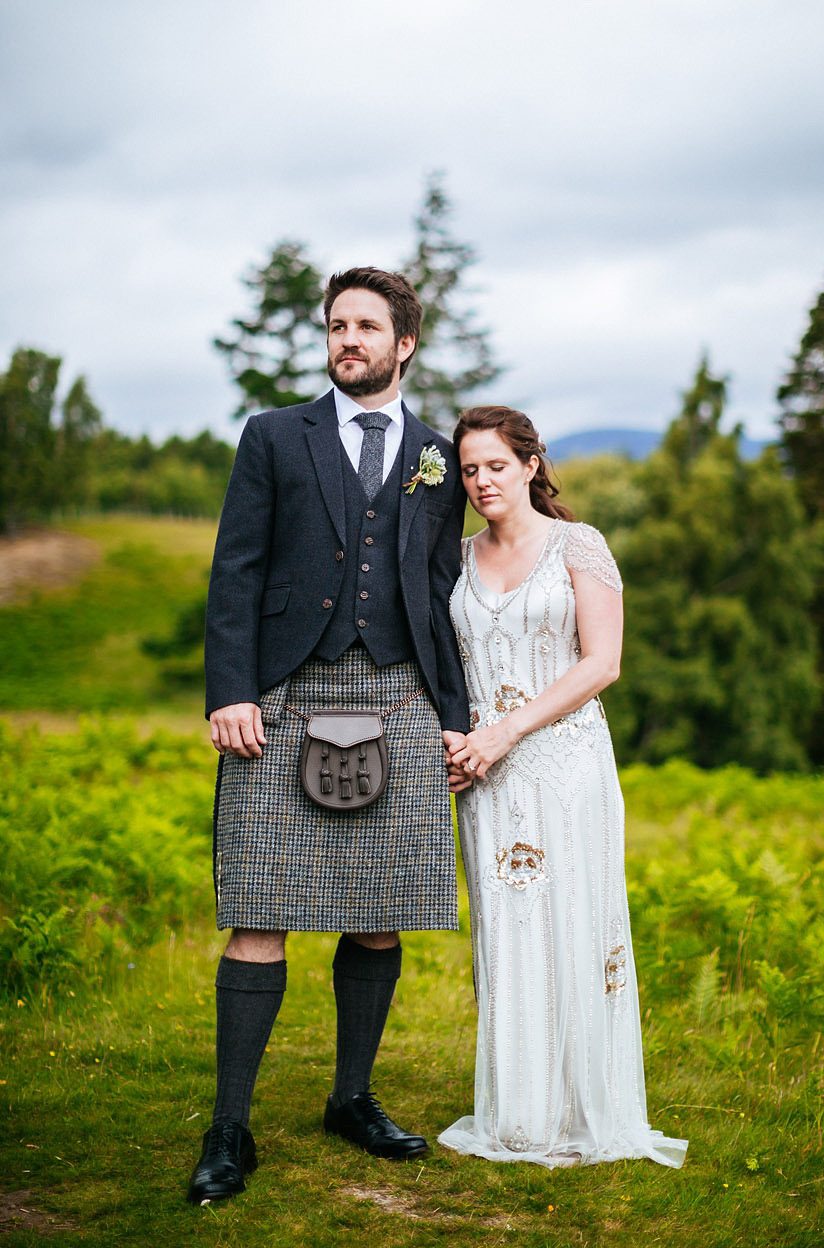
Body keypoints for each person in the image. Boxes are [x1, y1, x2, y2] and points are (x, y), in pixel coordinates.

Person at [187, 266, 470, 1204]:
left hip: (399, 697)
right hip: (284, 695)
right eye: (336, 326)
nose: (347, 339)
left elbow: (435, 599)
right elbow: (236, 568)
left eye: (366, 327)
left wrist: (457, 722)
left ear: (405, 344)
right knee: (260, 909)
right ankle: (230, 1127)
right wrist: (231, 689)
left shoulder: (437, 453)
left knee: (379, 909)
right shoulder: (274, 435)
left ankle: (351, 1099)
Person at [438, 406, 687, 1169]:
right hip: (485, 773)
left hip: (566, 763)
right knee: (507, 935)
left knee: (576, 924)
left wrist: (510, 730)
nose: (482, 481)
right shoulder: (454, 558)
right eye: (471, 469)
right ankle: (521, 1113)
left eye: (497, 466)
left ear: (532, 464)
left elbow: (602, 663)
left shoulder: (579, 545)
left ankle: (589, 1107)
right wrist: (460, 733)